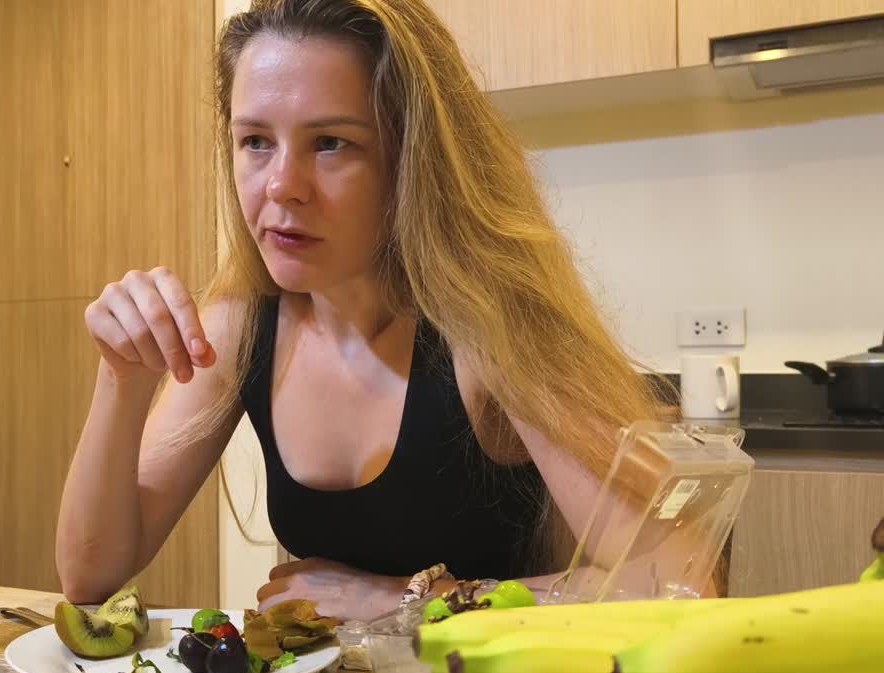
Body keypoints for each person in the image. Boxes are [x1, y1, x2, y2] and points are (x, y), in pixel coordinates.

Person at [55, 0, 664, 622]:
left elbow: (673, 581)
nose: (281, 185)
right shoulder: (239, 327)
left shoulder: (495, 329)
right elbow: (89, 574)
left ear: (412, 158)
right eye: (255, 141)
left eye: (330, 143)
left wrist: (397, 597)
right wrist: (122, 379)